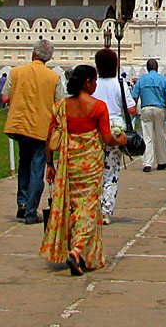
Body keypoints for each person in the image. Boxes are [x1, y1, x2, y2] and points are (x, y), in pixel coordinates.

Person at [42, 64, 127, 276]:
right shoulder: (98, 107)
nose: (96, 85)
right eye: (94, 81)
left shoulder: (61, 106)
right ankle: (77, 250)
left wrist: (50, 164)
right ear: (87, 82)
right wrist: (120, 140)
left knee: (71, 207)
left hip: (68, 165)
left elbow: (50, 137)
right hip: (90, 166)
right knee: (88, 209)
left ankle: (78, 253)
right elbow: (107, 138)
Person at [2, 39, 66, 225]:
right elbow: (59, 103)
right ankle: (31, 211)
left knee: (24, 164)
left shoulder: (16, 72)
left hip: (20, 126)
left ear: (33, 54)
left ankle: (22, 203)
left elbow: (5, 97)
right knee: (37, 168)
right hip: (41, 128)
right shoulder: (53, 77)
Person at [92, 48, 135, 225]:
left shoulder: (92, 84)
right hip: (115, 130)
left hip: (94, 130)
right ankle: (106, 210)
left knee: (94, 171)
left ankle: (91, 208)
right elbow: (131, 109)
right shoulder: (120, 84)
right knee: (111, 172)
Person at [131, 59, 166, 172]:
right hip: (160, 108)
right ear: (157, 68)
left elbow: (134, 96)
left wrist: (134, 109)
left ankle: (147, 163)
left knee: (147, 136)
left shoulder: (141, 80)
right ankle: (162, 161)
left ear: (147, 68)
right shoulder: (163, 80)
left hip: (146, 108)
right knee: (160, 135)